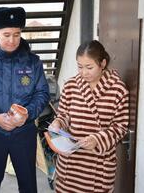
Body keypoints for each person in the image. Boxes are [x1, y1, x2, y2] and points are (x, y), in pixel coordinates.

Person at [0, 7, 50, 193]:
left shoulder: (33, 63)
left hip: (24, 133)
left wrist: (27, 113)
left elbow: (42, 94)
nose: (12, 40)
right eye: (6, 34)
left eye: (17, 34)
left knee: (28, 184)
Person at [49, 40, 129, 193]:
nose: (83, 72)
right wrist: (58, 122)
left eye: (89, 67)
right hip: (71, 163)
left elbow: (120, 127)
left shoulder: (118, 89)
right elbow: (64, 114)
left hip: (98, 165)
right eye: (80, 67)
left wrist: (97, 139)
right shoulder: (71, 85)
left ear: (103, 63)